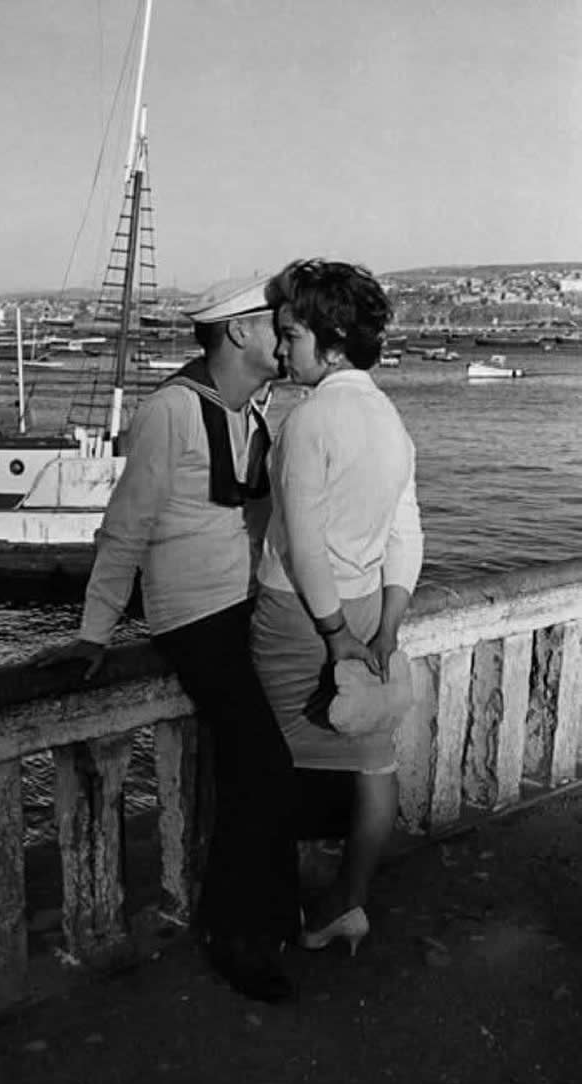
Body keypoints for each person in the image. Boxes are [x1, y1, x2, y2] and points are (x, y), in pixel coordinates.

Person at [43, 276, 301, 1003]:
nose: (286, 336)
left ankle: (264, 914)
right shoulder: (172, 411)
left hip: (245, 605)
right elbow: (126, 525)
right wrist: (94, 631)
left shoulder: (254, 407)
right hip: (195, 617)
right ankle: (235, 932)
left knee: (256, 770)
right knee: (265, 768)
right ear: (239, 332)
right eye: (275, 324)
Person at [251, 259, 424, 956]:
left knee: (272, 764)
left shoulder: (310, 420)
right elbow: (406, 534)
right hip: (368, 609)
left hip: (300, 617)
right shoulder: (389, 420)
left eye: (291, 335)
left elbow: (304, 542)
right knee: (374, 764)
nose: (281, 349)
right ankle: (347, 902)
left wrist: (332, 635)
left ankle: (272, 913)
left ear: (331, 342)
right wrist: (385, 627)